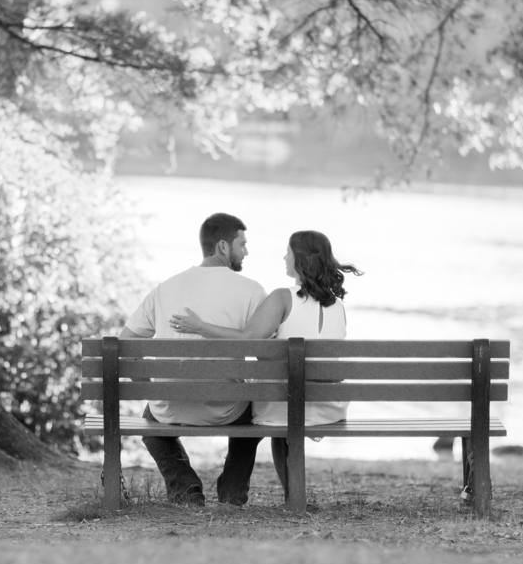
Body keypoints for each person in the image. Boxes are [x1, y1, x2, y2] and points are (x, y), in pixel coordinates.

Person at [169, 229, 362, 500]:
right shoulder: (338, 305)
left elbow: (248, 340)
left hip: (285, 407)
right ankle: (290, 495)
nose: (284, 257)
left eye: (289, 252)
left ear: (301, 259)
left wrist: (201, 326)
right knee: (283, 400)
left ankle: (237, 494)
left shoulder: (283, 297)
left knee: (246, 408)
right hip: (328, 407)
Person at [119, 213, 268, 506]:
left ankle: (185, 489)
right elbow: (267, 351)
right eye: (242, 244)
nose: (246, 252)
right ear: (223, 247)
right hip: (225, 408)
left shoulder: (165, 288)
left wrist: (149, 388)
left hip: (169, 407)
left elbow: (125, 343)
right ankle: (232, 491)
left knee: (150, 423)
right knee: (257, 410)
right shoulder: (251, 290)